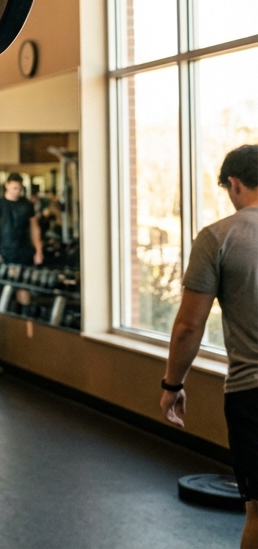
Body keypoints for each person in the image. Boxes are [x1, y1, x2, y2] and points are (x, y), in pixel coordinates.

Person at [162, 144, 258, 548]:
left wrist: (172, 385)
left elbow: (188, 326)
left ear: (234, 184)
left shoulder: (217, 237)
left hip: (253, 392)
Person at [0, 173, 42, 267]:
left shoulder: (27, 204)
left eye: (19, 188)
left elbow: (35, 229)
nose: (17, 191)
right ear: (7, 185)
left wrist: (39, 252)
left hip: (24, 251)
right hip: (4, 252)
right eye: (14, 188)